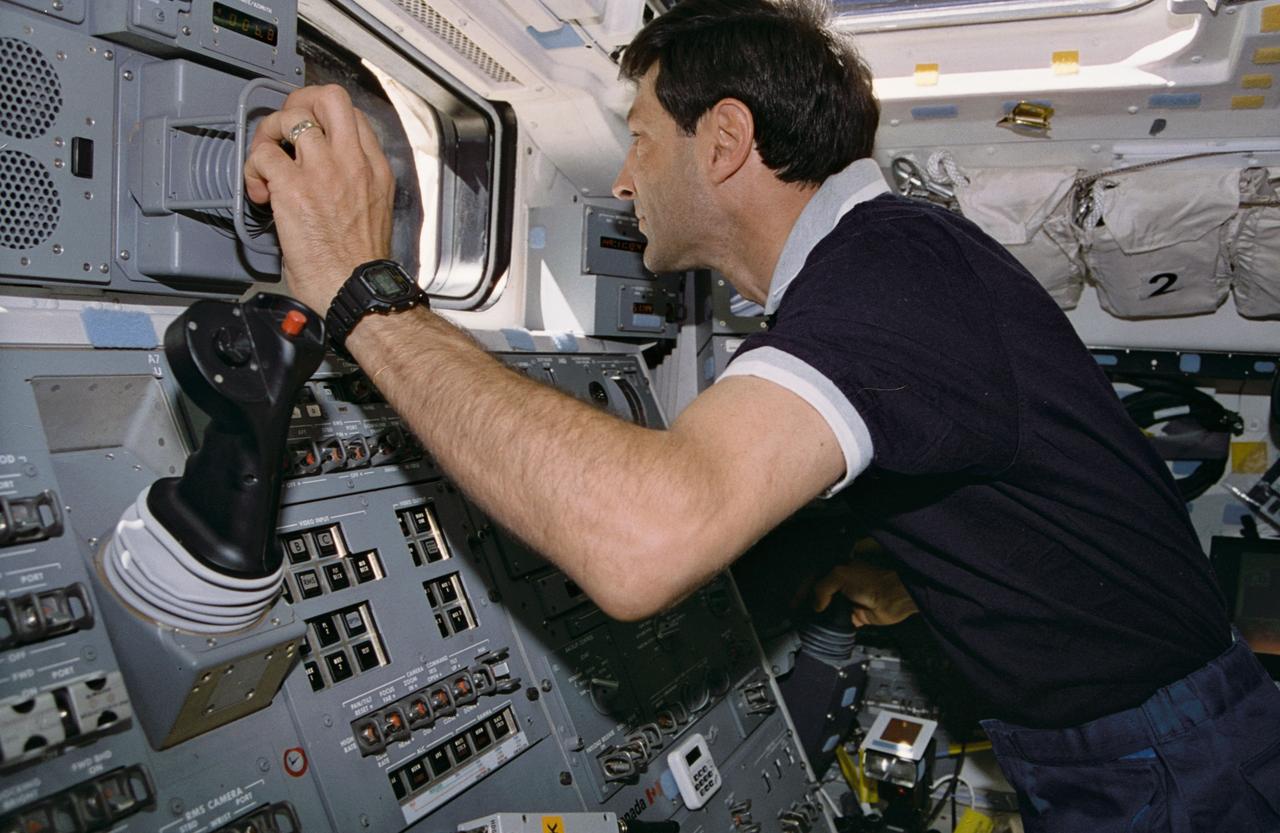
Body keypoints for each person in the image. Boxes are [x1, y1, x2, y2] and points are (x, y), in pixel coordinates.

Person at [244, 0, 1280, 829]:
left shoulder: (882, 276)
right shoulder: (884, 264)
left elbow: (641, 540)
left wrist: (362, 292)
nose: (619, 176)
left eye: (641, 139)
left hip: (1162, 756)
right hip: (1136, 729)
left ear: (725, 139)